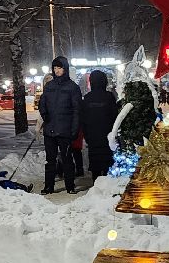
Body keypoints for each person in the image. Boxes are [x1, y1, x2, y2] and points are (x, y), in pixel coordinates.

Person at [37, 55, 82, 194]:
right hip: (50, 128)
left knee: (67, 159)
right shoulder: (49, 86)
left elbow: (77, 110)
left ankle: (70, 186)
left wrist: (74, 129)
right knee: (50, 160)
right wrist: (44, 114)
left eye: (59, 68)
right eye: (55, 68)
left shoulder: (73, 87)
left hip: (65, 129)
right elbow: (42, 103)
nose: (57, 71)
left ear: (65, 69)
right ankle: (48, 186)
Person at [80, 69, 119, 180]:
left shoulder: (87, 98)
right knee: (107, 161)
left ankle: (96, 184)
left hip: (93, 135)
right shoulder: (109, 97)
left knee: (95, 161)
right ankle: (107, 184)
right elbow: (114, 115)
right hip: (107, 134)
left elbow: (83, 118)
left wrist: (86, 135)